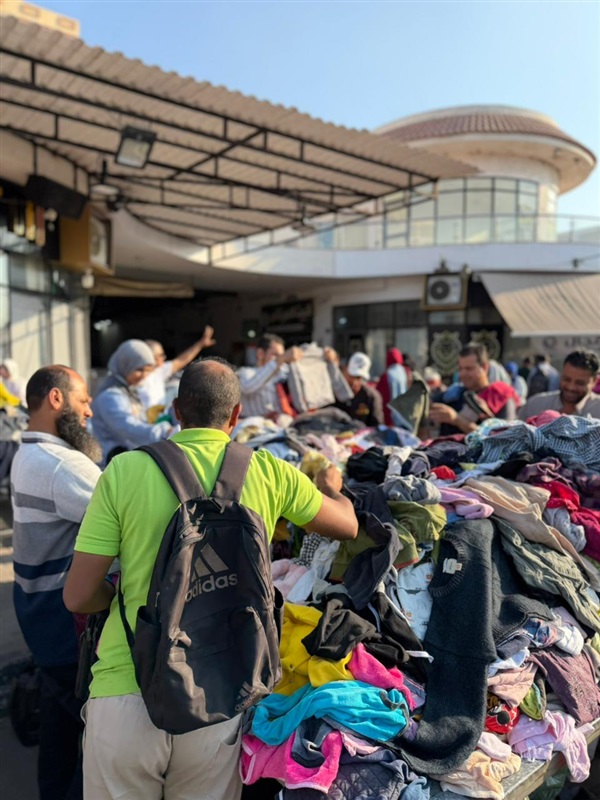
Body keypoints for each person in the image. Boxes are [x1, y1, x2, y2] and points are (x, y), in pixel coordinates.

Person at [63, 357, 358, 800]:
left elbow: (78, 596)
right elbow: (347, 527)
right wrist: (333, 485)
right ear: (237, 414)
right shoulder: (269, 471)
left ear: (176, 411)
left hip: (127, 690)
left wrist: (117, 591)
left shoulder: (123, 471)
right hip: (220, 695)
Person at [11, 365, 102, 800]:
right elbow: (127, 517)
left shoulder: (27, 452)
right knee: (99, 735)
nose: (89, 411)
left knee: (60, 732)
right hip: (66, 625)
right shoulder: (61, 465)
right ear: (56, 398)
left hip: (40, 618)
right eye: (83, 400)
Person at [91, 339, 174, 464]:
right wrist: (164, 432)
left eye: (148, 370)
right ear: (125, 365)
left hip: (125, 457)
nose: (144, 375)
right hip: (111, 461)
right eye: (139, 370)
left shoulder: (128, 390)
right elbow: (129, 427)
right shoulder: (110, 396)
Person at [429, 343, 519, 434]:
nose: (463, 374)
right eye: (460, 369)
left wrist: (457, 420)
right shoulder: (454, 394)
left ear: (484, 367)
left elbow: (505, 437)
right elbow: (429, 403)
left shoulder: (501, 396)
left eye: (469, 369)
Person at [138, 326, 217, 410]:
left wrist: (201, 344)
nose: (164, 357)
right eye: (161, 355)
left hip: (160, 414)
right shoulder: (137, 377)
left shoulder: (159, 370)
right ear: (151, 357)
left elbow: (181, 361)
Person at [518, 350, 600, 420]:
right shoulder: (535, 405)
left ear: (594, 381)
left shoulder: (597, 409)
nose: (571, 387)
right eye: (566, 379)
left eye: (580, 383)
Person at [237, 333, 304, 418]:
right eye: (275, 355)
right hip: (253, 424)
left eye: (282, 355)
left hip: (283, 422)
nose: (281, 359)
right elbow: (248, 387)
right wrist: (279, 360)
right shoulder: (245, 372)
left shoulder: (283, 372)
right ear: (261, 353)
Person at [337, 352, 384, 427]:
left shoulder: (371, 397)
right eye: (351, 376)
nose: (354, 382)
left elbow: (377, 426)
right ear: (345, 370)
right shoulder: (337, 394)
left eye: (358, 378)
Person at [376, 348, 408, 426]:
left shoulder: (386, 375)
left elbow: (381, 398)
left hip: (390, 420)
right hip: (404, 417)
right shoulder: (404, 373)